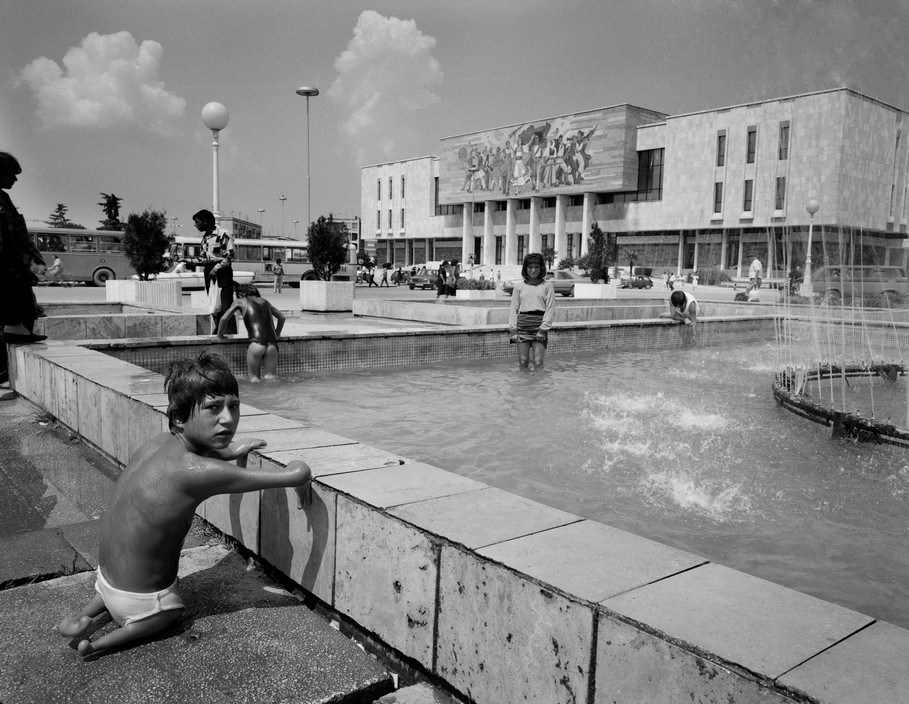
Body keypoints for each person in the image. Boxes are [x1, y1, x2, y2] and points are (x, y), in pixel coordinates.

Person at [56, 351, 312, 656]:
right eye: (213, 408)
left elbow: (202, 453)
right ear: (179, 417)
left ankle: (83, 617)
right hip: (139, 604)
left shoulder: (156, 444)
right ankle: (97, 645)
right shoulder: (194, 471)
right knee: (171, 611)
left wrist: (230, 451)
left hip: (104, 581)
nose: (228, 419)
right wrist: (300, 474)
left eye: (234, 406)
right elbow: (294, 475)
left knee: (127, 575)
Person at [0, 151, 47, 386]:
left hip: (12, 268)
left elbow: (19, 237)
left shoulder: (4, 199)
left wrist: (31, 264)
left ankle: (7, 371)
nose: (15, 179)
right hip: (6, 269)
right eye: (12, 174)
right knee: (14, 314)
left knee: (26, 309)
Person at [216, 284, 285, 381]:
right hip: (272, 345)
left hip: (256, 344)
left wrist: (219, 335)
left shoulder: (241, 301)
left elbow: (224, 318)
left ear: (241, 293)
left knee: (254, 379)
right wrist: (276, 334)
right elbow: (281, 317)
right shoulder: (266, 302)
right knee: (271, 378)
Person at [192, 209, 236, 334]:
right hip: (209, 271)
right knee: (214, 304)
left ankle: (229, 332)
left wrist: (216, 269)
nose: (195, 225)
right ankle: (219, 330)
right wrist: (185, 260)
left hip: (222, 272)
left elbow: (229, 256)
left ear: (205, 221)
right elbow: (204, 259)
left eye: (197, 222)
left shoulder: (223, 234)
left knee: (225, 304)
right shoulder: (205, 238)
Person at [508, 252, 555, 369]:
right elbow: (513, 309)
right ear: (525, 268)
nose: (533, 270)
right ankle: (524, 382)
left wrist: (543, 329)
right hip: (522, 327)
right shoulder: (518, 286)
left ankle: (539, 382)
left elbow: (550, 309)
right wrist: (513, 330)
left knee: (538, 362)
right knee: (523, 362)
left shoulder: (547, 286)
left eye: (536, 267)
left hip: (539, 326)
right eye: (530, 267)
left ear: (541, 268)